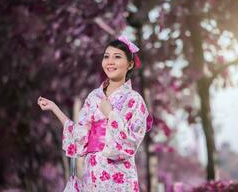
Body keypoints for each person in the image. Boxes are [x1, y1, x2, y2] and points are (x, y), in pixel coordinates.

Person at [37, 35, 153, 191]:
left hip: (119, 172)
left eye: (117, 57)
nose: (110, 62)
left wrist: (111, 114)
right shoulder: (93, 97)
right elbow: (80, 134)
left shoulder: (134, 99)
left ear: (130, 64)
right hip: (92, 170)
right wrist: (54, 108)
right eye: (106, 57)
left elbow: (132, 141)